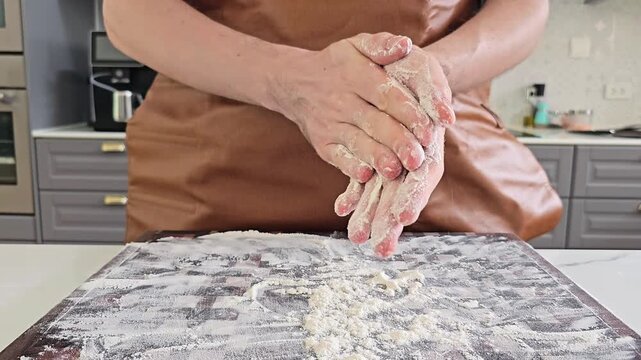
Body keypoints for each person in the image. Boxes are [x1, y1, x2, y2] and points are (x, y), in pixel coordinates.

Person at [104, 0, 562, 256]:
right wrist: (288, 81)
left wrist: (423, 78)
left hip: (442, 181)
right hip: (209, 186)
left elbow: (524, 7)